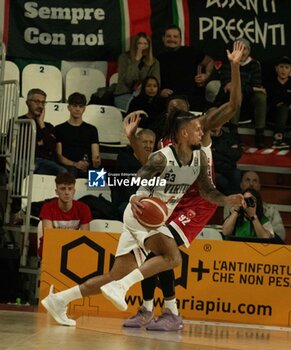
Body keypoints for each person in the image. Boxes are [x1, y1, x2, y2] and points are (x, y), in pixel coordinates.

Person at [41, 109, 244, 327]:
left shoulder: (199, 158)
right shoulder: (162, 156)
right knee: (172, 258)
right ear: (184, 133)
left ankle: (59, 300)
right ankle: (129, 292)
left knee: (114, 275)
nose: (201, 132)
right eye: (196, 129)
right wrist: (136, 196)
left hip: (151, 217)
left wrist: (227, 200)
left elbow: (206, 191)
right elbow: (139, 177)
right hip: (143, 215)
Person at [122, 42, 244, 331]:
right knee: (155, 253)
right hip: (173, 201)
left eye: (183, 108)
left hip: (200, 200)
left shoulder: (198, 131)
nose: (177, 110)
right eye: (173, 107)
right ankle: (148, 309)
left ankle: (172, 313)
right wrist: (132, 139)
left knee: (162, 253)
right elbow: (148, 165)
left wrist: (235, 67)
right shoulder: (168, 142)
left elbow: (234, 106)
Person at [215, 38, 267, 148]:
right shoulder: (227, 62)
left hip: (248, 100)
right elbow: (227, 85)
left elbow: (256, 85)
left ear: (249, 51)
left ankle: (260, 135)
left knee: (261, 96)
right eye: (239, 49)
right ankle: (233, 133)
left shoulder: (254, 64)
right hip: (228, 99)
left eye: (245, 49)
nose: (242, 52)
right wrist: (250, 88)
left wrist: (249, 89)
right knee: (237, 93)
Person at [157, 24, 214, 111]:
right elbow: (152, 81)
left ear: (180, 39)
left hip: (193, 98)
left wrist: (206, 75)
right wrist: (160, 92)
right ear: (163, 39)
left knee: (214, 111)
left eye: (175, 36)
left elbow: (210, 61)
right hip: (170, 100)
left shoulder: (191, 52)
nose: (172, 39)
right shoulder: (158, 59)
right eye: (168, 36)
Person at [38, 172, 92, 258]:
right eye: (63, 189)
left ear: (74, 191)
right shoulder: (47, 208)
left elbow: (85, 236)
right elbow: (49, 237)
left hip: (73, 248)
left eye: (70, 189)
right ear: (56, 191)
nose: (67, 192)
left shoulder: (83, 208)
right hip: (52, 248)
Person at [224, 171, 286, 241]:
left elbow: (277, 236)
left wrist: (253, 216)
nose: (251, 184)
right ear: (241, 184)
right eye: (247, 180)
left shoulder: (270, 211)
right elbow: (226, 232)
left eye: (255, 181)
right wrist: (237, 209)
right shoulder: (231, 208)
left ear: (259, 186)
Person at [18, 88, 67, 176]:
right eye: (37, 102)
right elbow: (21, 148)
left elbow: (52, 147)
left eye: (43, 102)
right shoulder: (18, 122)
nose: (40, 106)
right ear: (28, 102)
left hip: (45, 162)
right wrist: (40, 143)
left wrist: (41, 123)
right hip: (25, 160)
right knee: (23, 169)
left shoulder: (48, 126)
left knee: (63, 172)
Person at [111, 128, 156, 219]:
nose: (148, 145)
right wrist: (134, 198)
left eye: (151, 142)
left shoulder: (156, 162)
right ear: (136, 143)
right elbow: (124, 185)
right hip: (126, 201)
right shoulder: (124, 158)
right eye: (145, 142)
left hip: (147, 203)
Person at [55, 92, 101, 178]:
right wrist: (75, 164)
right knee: (72, 171)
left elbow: (95, 154)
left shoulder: (92, 129)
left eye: (80, 106)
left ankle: (98, 192)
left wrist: (95, 162)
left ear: (84, 109)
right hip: (69, 165)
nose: (77, 109)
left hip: (86, 165)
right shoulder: (59, 128)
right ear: (69, 107)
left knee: (98, 173)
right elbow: (59, 156)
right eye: (74, 106)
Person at [114, 32, 160, 111]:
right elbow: (128, 80)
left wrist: (143, 87)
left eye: (145, 44)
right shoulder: (124, 58)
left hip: (145, 95)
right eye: (139, 43)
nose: (142, 47)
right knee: (136, 108)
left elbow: (156, 83)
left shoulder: (154, 62)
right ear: (135, 45)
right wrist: (136, 60)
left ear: (149, 46)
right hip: (124, 94)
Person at [266, 56, 291, 149]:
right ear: (276, 68)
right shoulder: (270, 84)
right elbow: (267, 101)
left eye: (287, 67)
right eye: (281, 67)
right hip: (273, 116)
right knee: (284, 108)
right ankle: (278, 139)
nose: (284, 70)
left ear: (290, 70)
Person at [210, 124, 243, 195]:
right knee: (220, 180)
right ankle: (230, 199)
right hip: (214, 170)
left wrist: (217, 150)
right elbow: (211, 157)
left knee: (236, 174)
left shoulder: (230, 137)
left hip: (229, 168)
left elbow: (237, 154)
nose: (216, 125)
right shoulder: (206, 138)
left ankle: (233, 200)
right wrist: (227, 151)